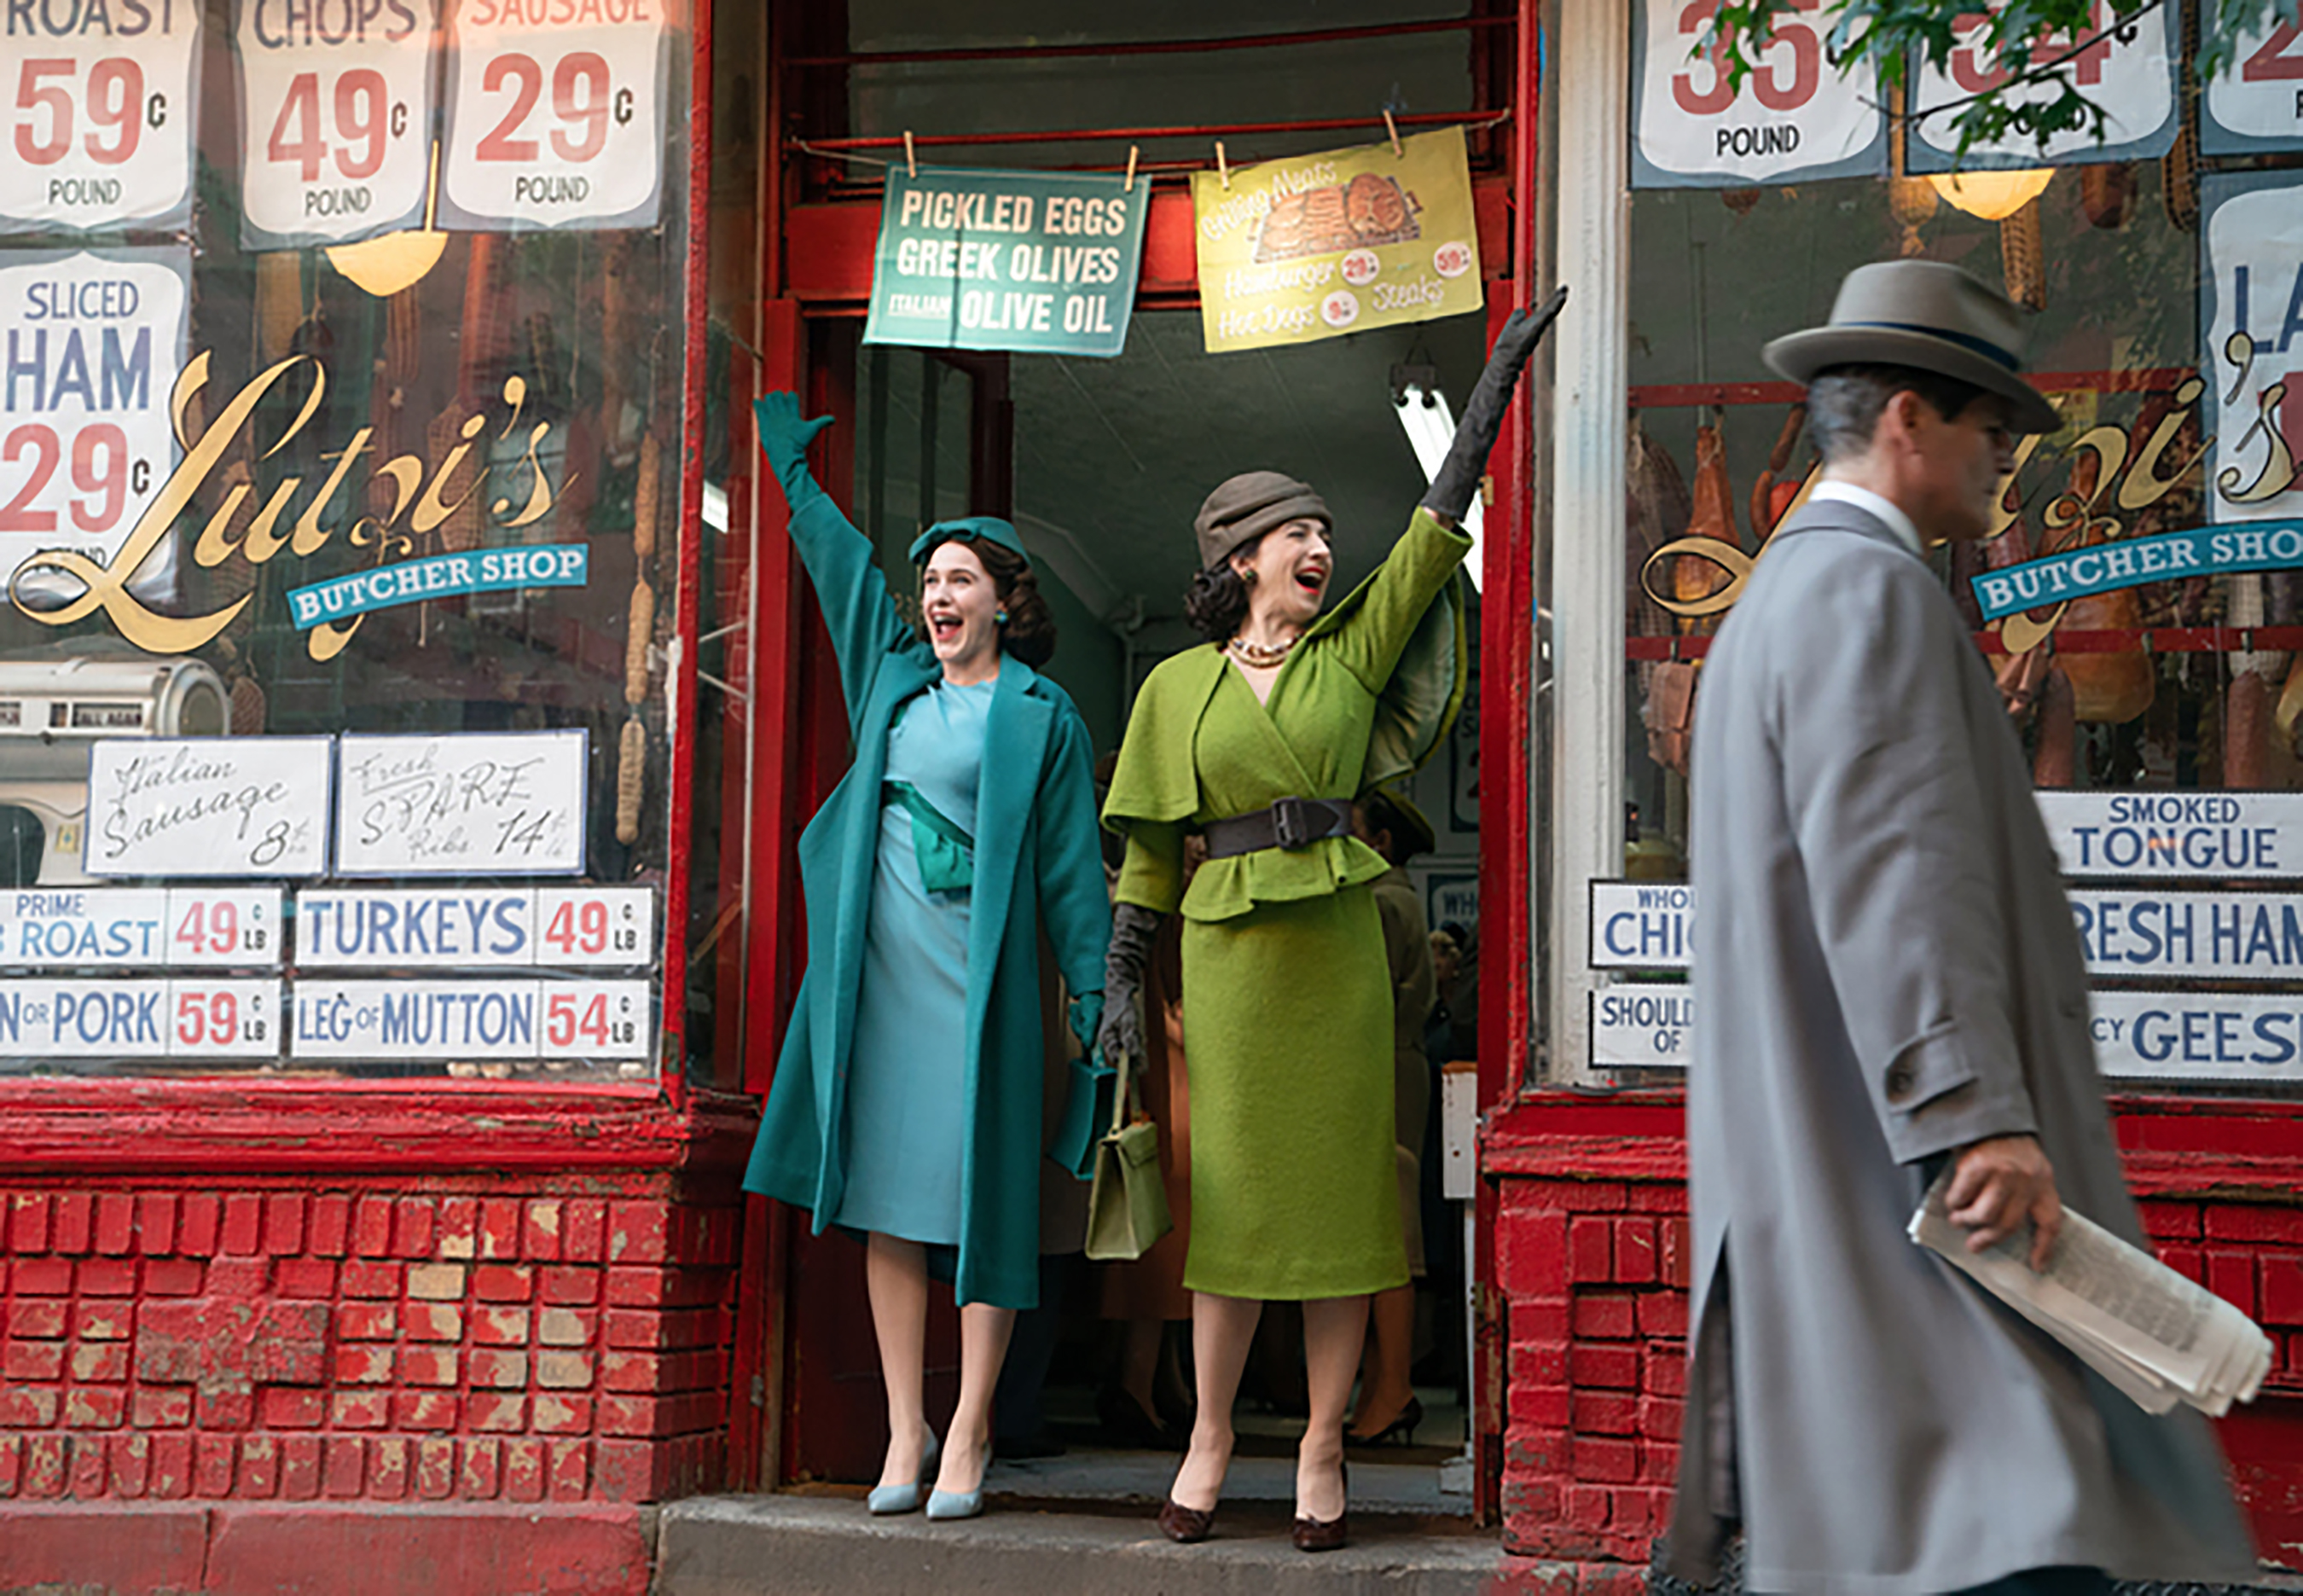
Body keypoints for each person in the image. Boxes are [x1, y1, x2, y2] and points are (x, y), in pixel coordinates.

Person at [1666, 261, 2254, 1595]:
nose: (2006, 462)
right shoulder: (1869, 594)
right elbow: (1898, 875)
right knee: (2008, 1520)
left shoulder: (1769, 606)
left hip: (1840, 1189)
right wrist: (1975, 1112)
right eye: (1990, 429)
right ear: (1907, 424)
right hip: (1915, 1206)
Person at [1099, 286, 1564, 1553]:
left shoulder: (1350, 657)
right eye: (1291, 533)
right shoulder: (1175, 685)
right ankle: (1207, 1436)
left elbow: (1429, 533)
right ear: (1237, 558)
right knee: (1235, 1207)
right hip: (1232, 957)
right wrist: (1122, 967)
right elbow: (1146, 843)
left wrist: (1487, 399)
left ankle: (1319, 1444)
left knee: (1350, 1207)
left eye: (1321, 531)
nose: (1317, 545)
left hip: (1341, 954)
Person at [741, 392, 1111, 1523]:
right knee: (888, 1199)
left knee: (982, 1200)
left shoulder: (1044, 715)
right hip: (884, 980)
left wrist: (1095, 990)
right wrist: (794, 477)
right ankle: (906, 1421)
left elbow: (1068, 867)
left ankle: (971, 1425)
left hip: (983, 983)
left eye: (959, 579)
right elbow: (840, 568)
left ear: (1004, 597)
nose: (937, 596)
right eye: (930, 583)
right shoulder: (892, 676)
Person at [1346, 786, 1437, 1448]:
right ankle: (1383, 1383)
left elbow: (1363, 999)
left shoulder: (1377, 901)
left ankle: (1390, 1384)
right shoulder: (1404, 897)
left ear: (1377, 843)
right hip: (1401, 1064)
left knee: (1384, 1226)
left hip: (1378, 1066)